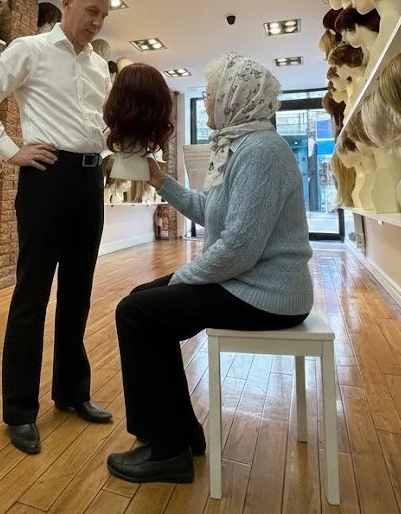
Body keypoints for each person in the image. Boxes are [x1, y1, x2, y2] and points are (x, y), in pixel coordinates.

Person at [106, 52, 315, 484]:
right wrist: (161, 181)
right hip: (252, 284)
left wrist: (183, 277)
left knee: (137, 312)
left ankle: (166, 450)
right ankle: (179, 433)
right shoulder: (244, 146)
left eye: (215, 93)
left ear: (236, 97)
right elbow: (211, 212)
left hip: (267, 294)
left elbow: (238, 247)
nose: (209, 102)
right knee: (139, 303)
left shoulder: (260, 151)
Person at [0, 0, 114, 455]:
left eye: (104, 15)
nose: (97, 22)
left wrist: (113, 153)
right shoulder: (28, 49)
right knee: (31, 296)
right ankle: (20, 412)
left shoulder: (99, 67)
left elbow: (98, 124)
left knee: (78, 295)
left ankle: (72, 393)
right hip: (46, 177)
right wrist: (11, 150)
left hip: (91, 182)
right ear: (67, 3)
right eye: (91, 11)